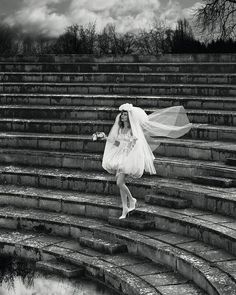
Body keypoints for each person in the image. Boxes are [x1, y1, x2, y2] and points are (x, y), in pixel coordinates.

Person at [102, 103, 192, 219]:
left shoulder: (132, 129)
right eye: (122, 115)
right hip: (119, 155)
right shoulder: (120, 129)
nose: (122, 116)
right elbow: (118, 143)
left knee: (119, 182)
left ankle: (132, 199)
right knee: (120, 183)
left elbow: (134, 144)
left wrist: (128, 153)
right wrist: (106, 138)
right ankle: (124, 208)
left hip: (127, 156)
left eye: (125, 115)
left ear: (129, 116)